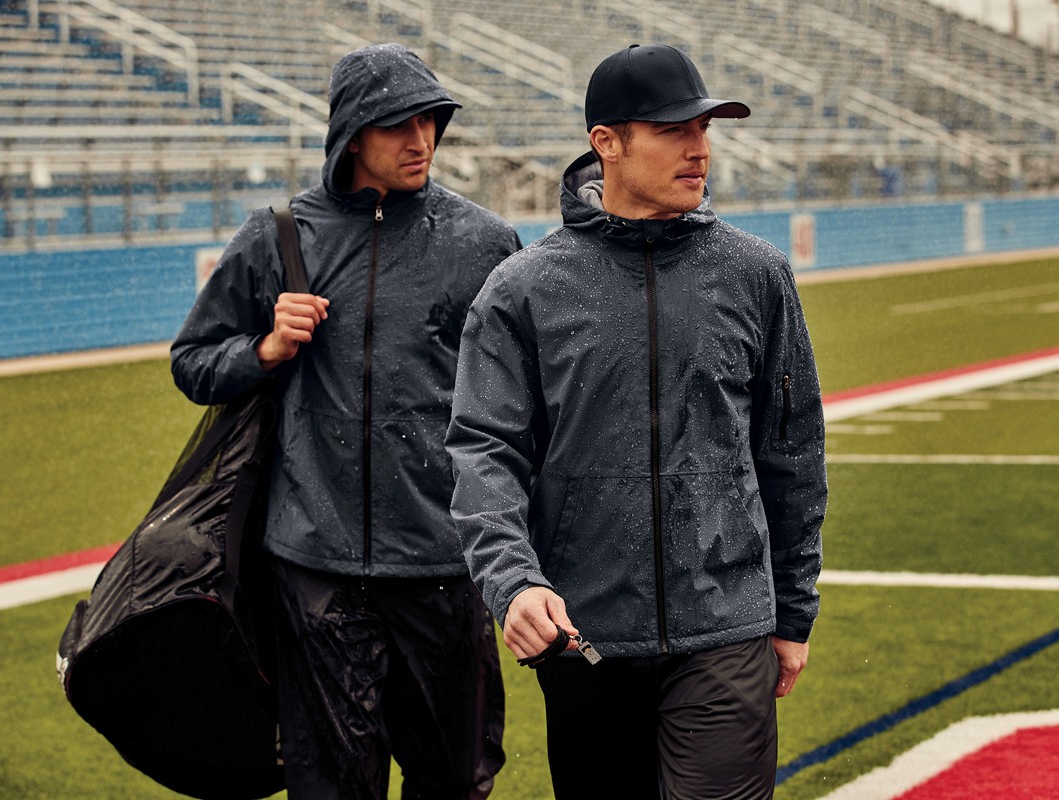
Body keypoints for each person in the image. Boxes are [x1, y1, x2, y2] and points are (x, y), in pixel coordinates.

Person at [446, 44, 827, 799]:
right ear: (607, 143)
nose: (699, 148)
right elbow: (483, 450)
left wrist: (792, 608)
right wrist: (513, 583)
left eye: (706, 128)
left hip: (726, 629)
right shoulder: (524, 290)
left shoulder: (756, 275)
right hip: (585, 638)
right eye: (673, 129)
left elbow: (792, 450)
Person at [171, 43, 521, 800]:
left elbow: (521, 403)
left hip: (442, 566)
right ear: (353, 133)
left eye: (431, 119)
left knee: (454, 783)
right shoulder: (278, 236)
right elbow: (192, 362)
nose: (421, 138)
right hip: (315, 570)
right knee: (331, 789)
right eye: (399, 123)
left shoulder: (485, 244)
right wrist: (263, 347)